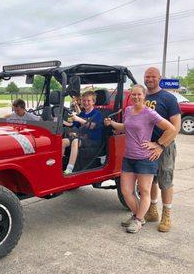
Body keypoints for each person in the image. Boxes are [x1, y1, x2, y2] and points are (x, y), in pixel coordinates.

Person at [104, 84, 176, 234]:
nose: (136, 97)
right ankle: (138, 216)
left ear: (144, 96)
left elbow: (171, 128)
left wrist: (158, 144)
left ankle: (137, 220)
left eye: (139, 95)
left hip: (145, 158)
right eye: (134, 95)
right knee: (126, 191)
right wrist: (111, 124)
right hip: (129, 157)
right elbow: (125, 127)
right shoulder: (129, 111)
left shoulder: (149, 113)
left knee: (144, 191)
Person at [144, 67, 181, 232]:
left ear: (159, 78)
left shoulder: (168, 98)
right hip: (146, 146)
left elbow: (176, 126)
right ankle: (152, 211)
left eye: (153, 76)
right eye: (147, 76)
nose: (149, 79)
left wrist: (160, 145)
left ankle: (167, 215)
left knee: (165, 180)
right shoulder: (141, 96)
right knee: (150, 180)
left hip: (164, 146)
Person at [62, 91, 103, 175]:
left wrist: (78, 119)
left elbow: (92, 126)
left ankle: (69, 169)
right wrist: (60, 121)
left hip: (93, 140)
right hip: (82, 138)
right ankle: (59, 166)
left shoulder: (97, 114)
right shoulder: (83, 113)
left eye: (88, 101)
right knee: (63, 141)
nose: (86, 103)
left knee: (75, 141)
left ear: (93, 102)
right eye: (84, 100)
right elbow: (73, 125)